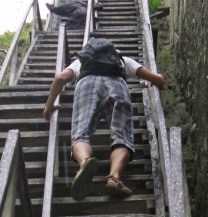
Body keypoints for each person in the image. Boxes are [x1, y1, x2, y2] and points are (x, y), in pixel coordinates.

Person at [43, 37, 165, 199]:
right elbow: (157, 79)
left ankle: (85, 162)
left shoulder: (82, 61)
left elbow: (60, 78)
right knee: (122, 136)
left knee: (81, 134)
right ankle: (114, 178)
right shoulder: (122, 60)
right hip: (117, 85)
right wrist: (159, 79)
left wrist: (49, 105)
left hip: (86, 85)